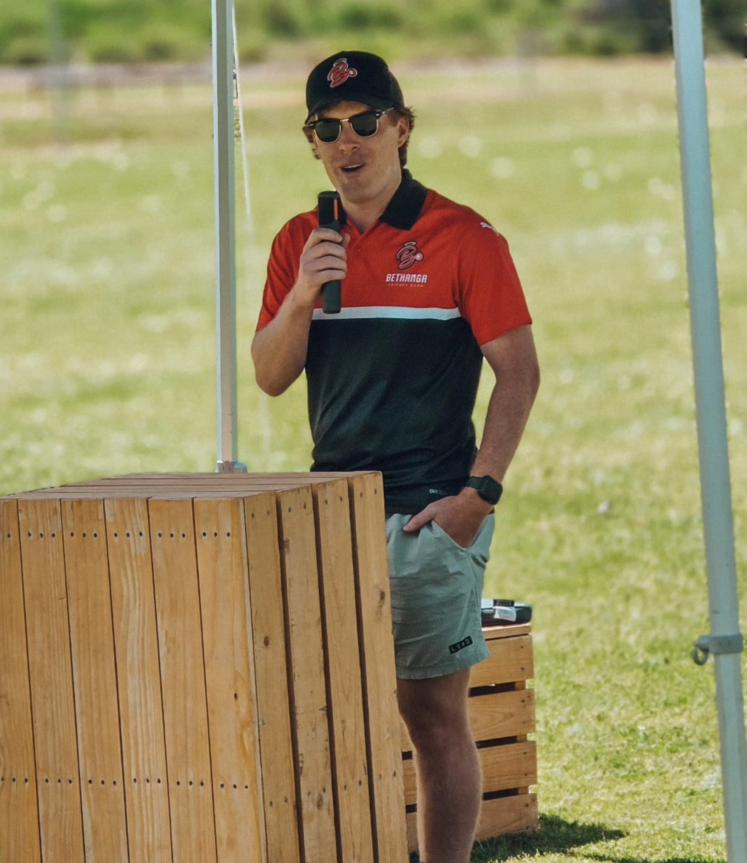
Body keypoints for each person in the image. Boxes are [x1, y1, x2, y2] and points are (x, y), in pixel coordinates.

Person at [251, 50, 540, 863]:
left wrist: (477, 495)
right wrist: (304, 293)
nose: (349, 142)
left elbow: (518, 371)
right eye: (328, 128)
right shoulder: (299, 244)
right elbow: (271, 376)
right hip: (328, 512)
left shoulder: (465, 238)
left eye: (366, 122)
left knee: (432, 717)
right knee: (328, 710)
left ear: (402, 128)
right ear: (312, 144)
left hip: (427, 509)